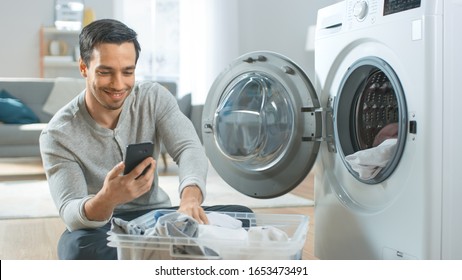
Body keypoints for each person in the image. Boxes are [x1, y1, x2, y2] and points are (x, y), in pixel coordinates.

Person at [39, 18, 251, 260]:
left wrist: (190, 199)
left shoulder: (153, 97)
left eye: (127, 72)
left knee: (242, 216)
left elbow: (188, 148)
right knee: (76, 249)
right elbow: (70, 212)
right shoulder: (57, 134)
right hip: (103, 228)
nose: (118, 84)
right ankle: (176, 255)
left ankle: (153, 255)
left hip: (159, 217)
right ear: (84, 68)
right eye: (105, 72)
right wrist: (108, 198)